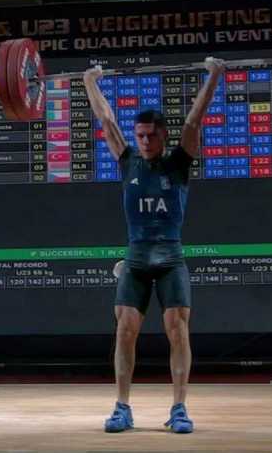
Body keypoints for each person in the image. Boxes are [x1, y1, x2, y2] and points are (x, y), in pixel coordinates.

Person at [83, 58, 226, 434]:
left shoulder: (178, 163)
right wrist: (90, 81)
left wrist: (214, 75)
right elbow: (106, 120)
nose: (144, 141)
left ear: (163, 136)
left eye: (151, 135)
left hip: (170, 259)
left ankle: (179, 409)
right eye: (140, 135)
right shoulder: (128, 161)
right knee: (125, 329)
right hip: (136, 258)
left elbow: (194, 120)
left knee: (178, 328)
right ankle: (122, 408)